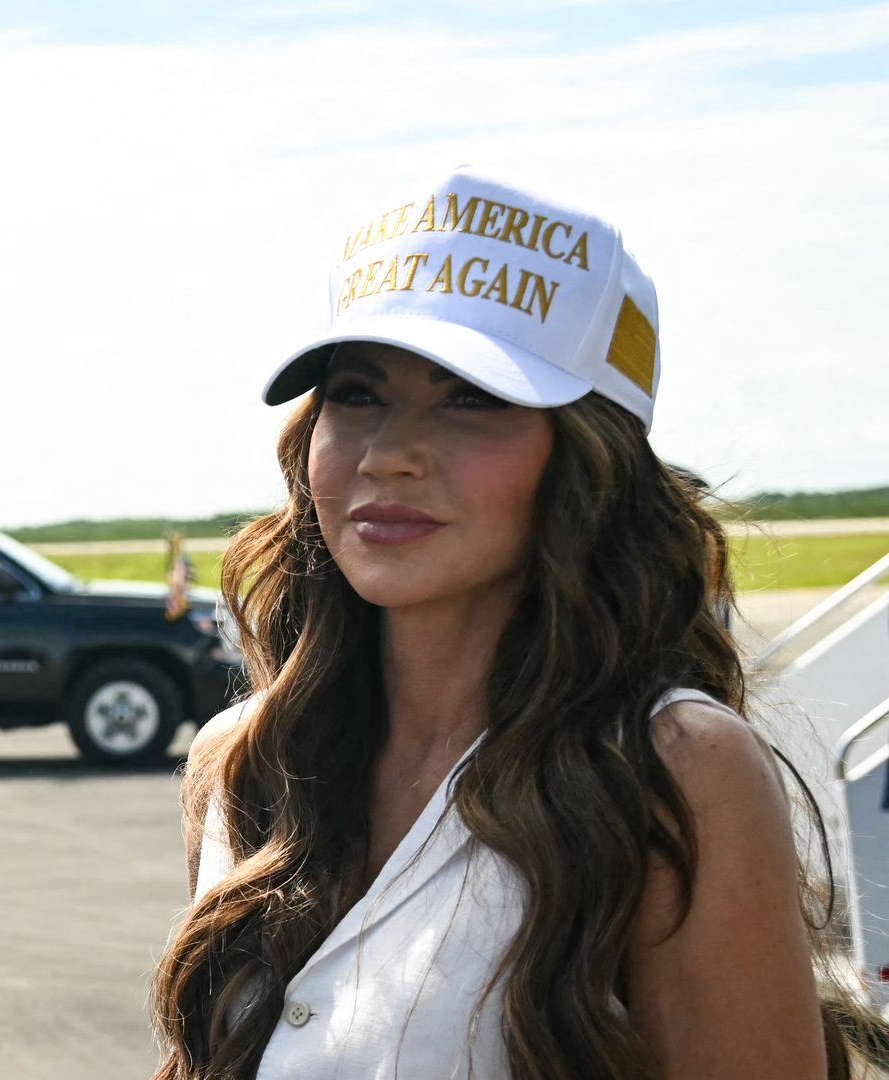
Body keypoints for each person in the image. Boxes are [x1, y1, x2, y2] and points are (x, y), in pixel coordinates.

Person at [149, 167, 888, 1078]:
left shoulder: (674, 768)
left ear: (586, 455)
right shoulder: (240, 760)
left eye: (473, 398)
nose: (392, 454)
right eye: (356, 393)